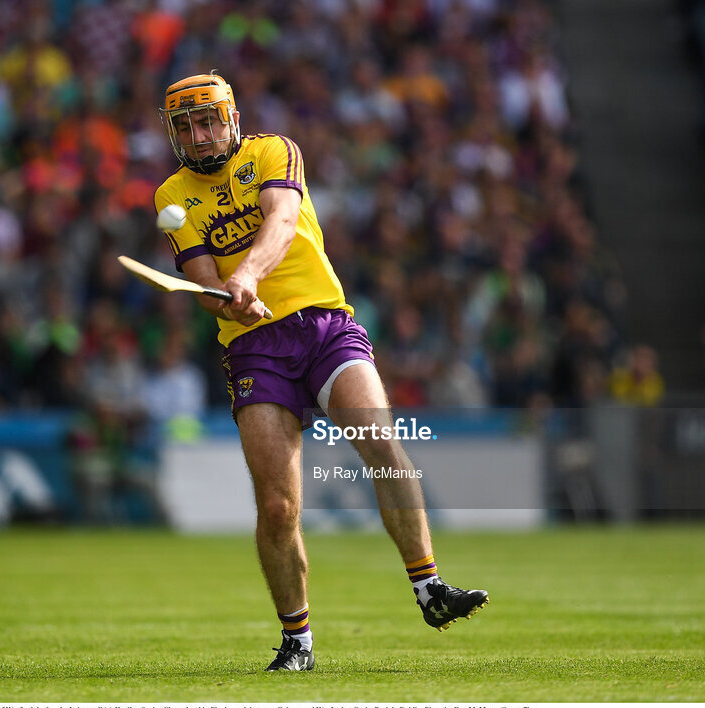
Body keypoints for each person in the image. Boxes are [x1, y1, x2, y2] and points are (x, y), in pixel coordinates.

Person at [153, 73, 488, 672]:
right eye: (186, 128)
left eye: (207, 123)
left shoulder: (274, 151)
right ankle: (297, 642)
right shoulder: (171, 196)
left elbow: (281, 221)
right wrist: (229, 297)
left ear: (230, 118)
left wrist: (249, 275)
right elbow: (202, 285)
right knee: (278, 506)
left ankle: (429, 586)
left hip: (323, 325)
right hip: (254, 348)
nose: (200, 137)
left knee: (382, 443)